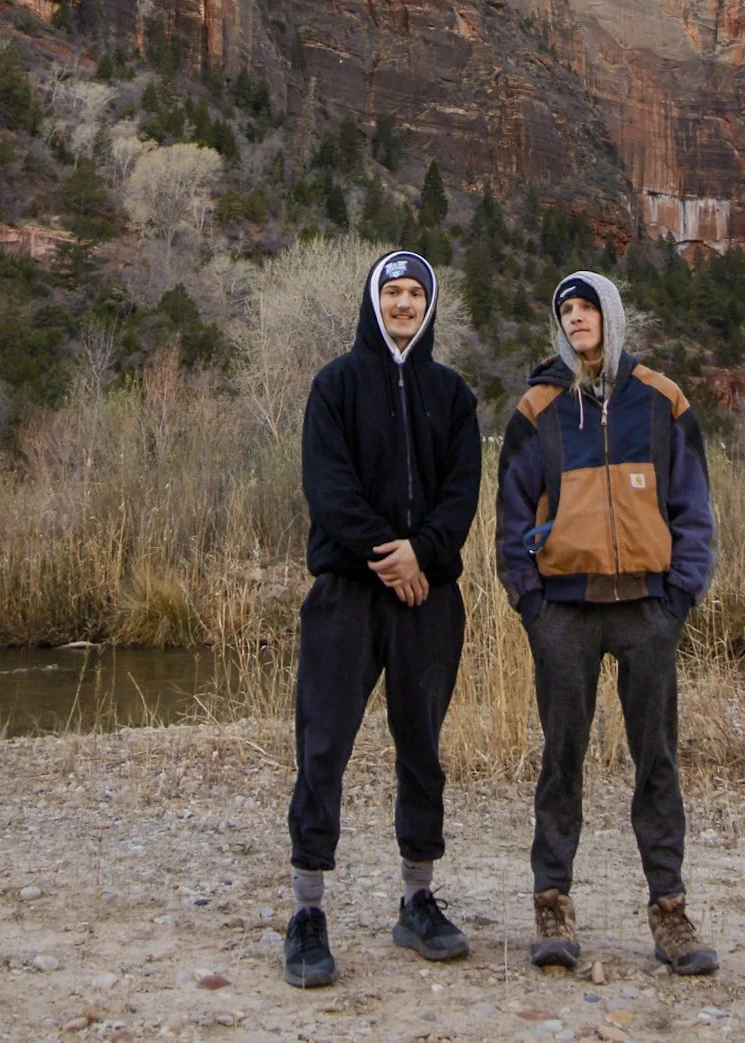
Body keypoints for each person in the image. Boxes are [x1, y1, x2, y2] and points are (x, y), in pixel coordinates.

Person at [497, 268, 717, 976]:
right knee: (561, 760)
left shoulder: (661, 398)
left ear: (611, 315)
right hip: (564, 611)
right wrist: (531, 603)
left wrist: (679, 596)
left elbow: (693, 505)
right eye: (565, 309)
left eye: (587, 306)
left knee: (657, 760)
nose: (576, 317)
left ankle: (669, 910)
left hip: (647, 609)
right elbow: (509, 514)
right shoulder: (538, 407)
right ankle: (552, 902)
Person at [285, 249, 483, 989]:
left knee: (421, 747)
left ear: (429, 307)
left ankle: (417, 899)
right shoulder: (335, 384)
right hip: (347, 590)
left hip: (428, 597)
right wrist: (388, 554)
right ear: (374, 302)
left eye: (414, 294)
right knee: (323, 745)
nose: (403, 304)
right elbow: (327, 486)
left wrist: (422, 554)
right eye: (392, 292)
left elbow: (462, 492)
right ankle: (308, 910)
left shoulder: (452, 393)